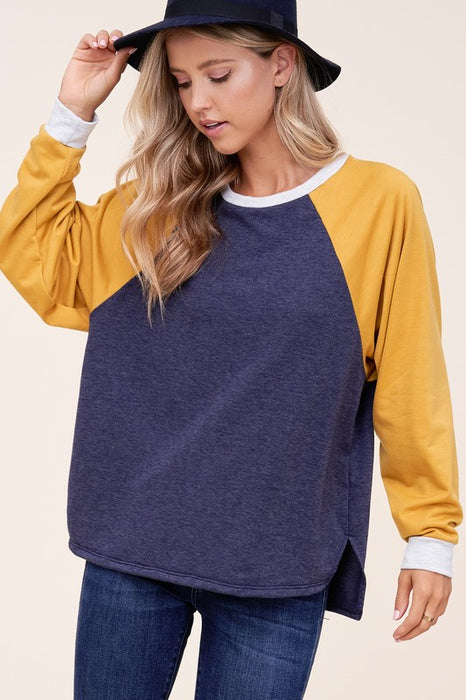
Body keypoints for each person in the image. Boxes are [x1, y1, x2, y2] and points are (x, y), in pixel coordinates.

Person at [0, 1, 462, 698]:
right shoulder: (153, 209)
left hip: (277, 565)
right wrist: (73, 113)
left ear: (282, 65)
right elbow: (36, 259)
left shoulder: (377, 203)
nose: (199, 103)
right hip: (132, 549)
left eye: (218, 75)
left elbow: (410, 375)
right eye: (183, 82)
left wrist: (430, 535)